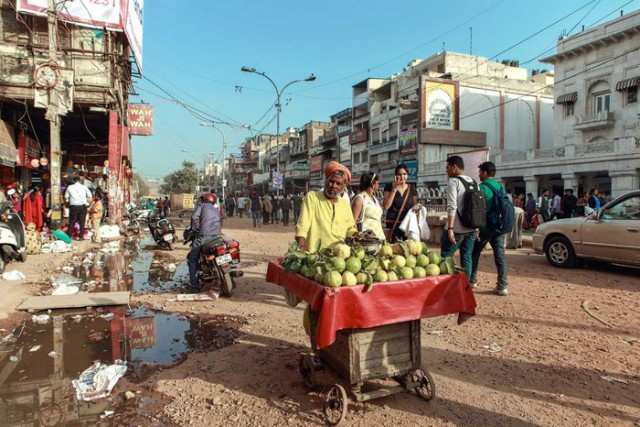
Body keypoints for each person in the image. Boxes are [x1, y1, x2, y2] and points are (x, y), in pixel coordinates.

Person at [295, 161, 359, 251]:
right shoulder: (312, 197)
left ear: (344, 186)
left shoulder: (345, 204)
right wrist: (300, 246)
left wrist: (358, 235)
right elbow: (303, 225)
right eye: (331, 181)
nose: (333, 186)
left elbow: (349, 229)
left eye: (338, 184)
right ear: (326, 181)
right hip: (315, 256)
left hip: (339, 255)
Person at [469, 161, 509, 296]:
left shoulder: (481, 188)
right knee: (500, 256)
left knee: (474, 253)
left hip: (485, 228)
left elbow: (478, 211)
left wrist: (476, 228)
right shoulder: (500, 187)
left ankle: (472, 280)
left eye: (480, 172)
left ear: (485, 173)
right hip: (498, 227)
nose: (479, 175)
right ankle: (502, 286)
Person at [440, 155, 478, 280]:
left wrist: (450, 228)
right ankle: (466, 287)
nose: (446, 170)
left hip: (456, 228)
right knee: (467, 257)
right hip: (471, 229)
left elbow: (452, 206)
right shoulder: (473, 182)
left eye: (447, 167)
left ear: (454, 167)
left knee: (446, 257)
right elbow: (477, 207)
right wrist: (476, 228)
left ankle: (444, 286)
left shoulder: (453, 182)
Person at [187, 193, 222, 293]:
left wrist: (194, 228)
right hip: (216, 235)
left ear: (204, 199)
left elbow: (194, 217)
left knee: (192, 259)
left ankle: (194, 286)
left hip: (204, 236)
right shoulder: (215, 209)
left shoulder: (201, 206)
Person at [382, 164, 419, 242]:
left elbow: (415, 207)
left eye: (404, 174)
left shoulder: (412, 188)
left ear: (407, 175)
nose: (402, 177)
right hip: (393, 225)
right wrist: (394, 189)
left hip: (407, 226)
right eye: (399, 174)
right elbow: (386, 206)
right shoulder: (389, 187)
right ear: (395, 176)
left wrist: (417, 208)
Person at [351, 172, 385, 240]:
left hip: (379, 238)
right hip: (366, 240)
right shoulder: (360, 198)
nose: (379, 185)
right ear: (372, 184)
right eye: (378, 183)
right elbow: (352, 221)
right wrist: (358, 237)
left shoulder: (374, 198)